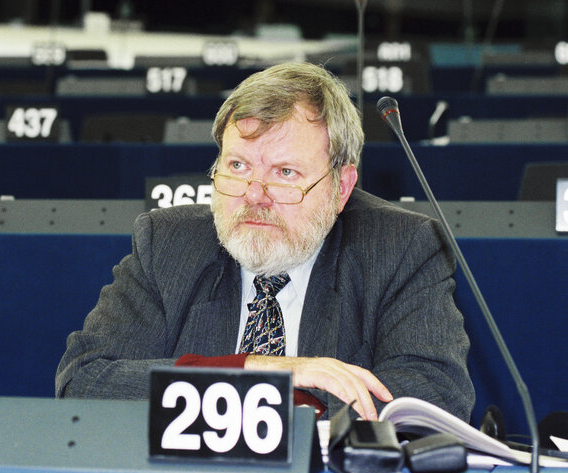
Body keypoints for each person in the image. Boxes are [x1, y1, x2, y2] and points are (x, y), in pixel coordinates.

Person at [55, 62, 474, 422]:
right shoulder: (166, 243)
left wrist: (273, 418)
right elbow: (86, 381)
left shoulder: (401, 247)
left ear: (341, 188)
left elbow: (435, 395)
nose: (254, 194)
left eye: (285, 173)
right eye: (237, 165)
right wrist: (262, 373)